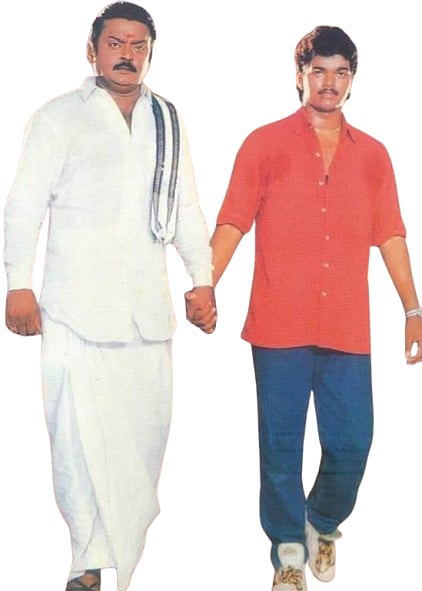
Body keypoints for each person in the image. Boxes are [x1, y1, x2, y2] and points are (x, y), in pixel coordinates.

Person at [186, 25, 422, 591]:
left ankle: (321, 522)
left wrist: (413, 310)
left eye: (341, 73)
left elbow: (391, 235)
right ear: (300, 76)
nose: (329, 83)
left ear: (352, 80)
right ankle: (288, 552)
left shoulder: (374, 156)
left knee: (353, 442)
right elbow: (233, 221)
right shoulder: (264, 144)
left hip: (346, 326)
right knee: (280, 446)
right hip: (279, 324)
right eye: (319, 71)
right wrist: (204, 284)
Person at [4, 2, 215, 590]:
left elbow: (187, 208)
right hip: (74, 312)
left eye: (138, 45)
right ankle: (86, 564)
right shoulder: (57, 118)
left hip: (146, 315)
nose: (127, 54)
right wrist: (18, 284)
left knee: (142, 444)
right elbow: (23, 207)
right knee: (78, 444)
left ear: (150, 53)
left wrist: (201, 278)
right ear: (92, 50)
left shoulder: (167, 119)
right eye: (116, 43)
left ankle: (120, 556)